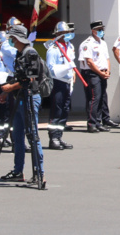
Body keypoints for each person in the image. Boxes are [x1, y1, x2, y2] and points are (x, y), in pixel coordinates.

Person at [0, 25, 46, 184]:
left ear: (18, 38)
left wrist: (10, 87)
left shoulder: (30, 53)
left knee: (33, 136)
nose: (11, 41)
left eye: (12, 38)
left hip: (30, 97)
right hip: (20, 98)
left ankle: (39, 172)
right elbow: (18, 76)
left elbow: (30, 79)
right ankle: (18, 170)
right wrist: (7, 92)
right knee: (17, 137)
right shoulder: (20, 53)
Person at [79, 20, 114, 132]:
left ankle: (98, 122)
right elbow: (89, 62)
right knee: (94, 98)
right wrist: (100, 73)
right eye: (99, 30)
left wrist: (107, 71)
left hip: (102, 73)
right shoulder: (87, 44)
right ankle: (91, 123)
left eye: (102, 29)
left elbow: (107, 58)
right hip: (92, 73)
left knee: (102, 97)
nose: (101, 31)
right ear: (93, 31)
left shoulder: (102, 43)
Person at [46, 21, 76, 150]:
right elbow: (51, 69)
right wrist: (66, 67)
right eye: (64, 33)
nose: (67, 35)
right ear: (58, 34)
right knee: (56, 110)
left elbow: (72, 62)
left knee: (64, 110)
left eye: (67, 33)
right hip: (57, 82)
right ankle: (53, 138)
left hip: (67, 82)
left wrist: (72, 72)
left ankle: (59, 136)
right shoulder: (53, 50)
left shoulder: (69, 46)